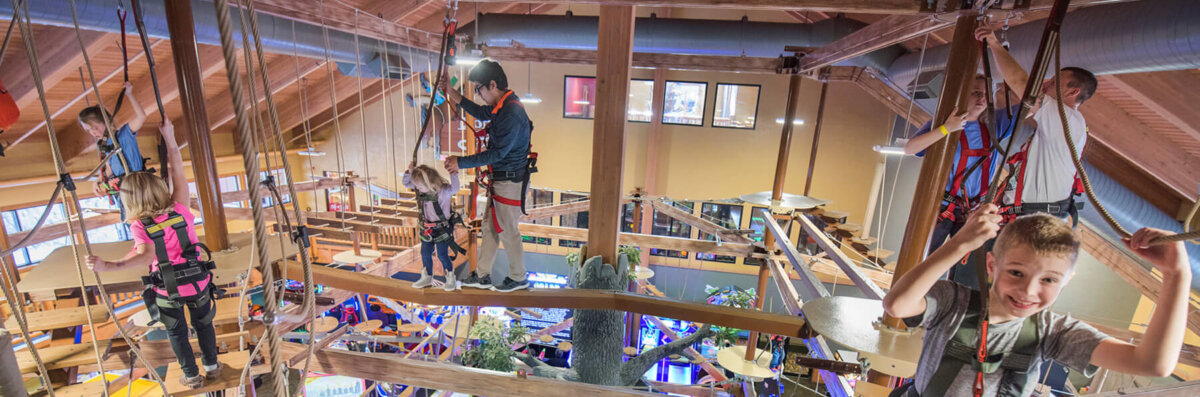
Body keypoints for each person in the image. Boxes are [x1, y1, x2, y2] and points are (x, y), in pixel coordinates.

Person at [883, 205, 1191, 396]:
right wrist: (961, 243)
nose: (1028, 291)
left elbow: (1153, 363)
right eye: (1016, 272)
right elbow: (897, 304)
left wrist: (1177, 276)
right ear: (992, 266)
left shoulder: (1053, 332)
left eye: (1048, 280)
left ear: (1065, 282)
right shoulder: (953, 302)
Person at [85, 121, 220, 389]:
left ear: (130, 201)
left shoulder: (140, 226)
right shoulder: (180, 209)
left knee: (177, 332)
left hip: (169, 290)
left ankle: (191, 375)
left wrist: (109, 265)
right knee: (204, 325)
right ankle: (212, 366)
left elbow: (146, 257)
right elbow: (177, 170)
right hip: (198, 282)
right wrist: (169, 138)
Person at [975, 26, 1098, 222]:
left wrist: (994, 44)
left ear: (1073, 92)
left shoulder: (1063, 115)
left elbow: (1021, 82)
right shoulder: (1064, 121)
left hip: (1032, 219)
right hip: (1026, 217)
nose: (1045, 84)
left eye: (1054, 81)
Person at [441, 59, 535, 293]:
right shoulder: (504, 106)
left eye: (479, 89)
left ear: (492, 85)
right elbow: (481, 112)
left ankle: (518, 276)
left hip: (509, 180)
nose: (479, 94)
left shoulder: (511, 113)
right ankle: (482, 274)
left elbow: (497, 152)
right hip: (502, 179)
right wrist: (452, 93)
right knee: (491, 227)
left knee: (507, 229)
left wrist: (460, 162)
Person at [904, 75, 1016, 256]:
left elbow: (1032, 106)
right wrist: (946, 128)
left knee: (965, 268)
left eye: (986, 94)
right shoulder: (943, 121)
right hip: (941, 207)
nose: (981, 99)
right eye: (976, 93)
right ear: (964, 95)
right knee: (920, 258)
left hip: (975, 209)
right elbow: (910, 148)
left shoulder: (995, 126)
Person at [78, 82, 148, 220]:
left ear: (106, 121)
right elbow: (109, 168)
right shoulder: (102, 145)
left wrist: (129, 95)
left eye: (95, 127)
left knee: (144, 220)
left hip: (138, 184)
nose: (94, 132)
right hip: (123, 190)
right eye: (89, 130)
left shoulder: (124, 135)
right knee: (130, 223)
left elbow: (141, 116)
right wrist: (97, 181)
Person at [403, 163, 463, 291]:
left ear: (429, 183)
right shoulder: (422, 190)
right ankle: (427, 277)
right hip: (426, 228)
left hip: (442, 228)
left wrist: (453, 173)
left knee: (442, 254)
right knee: (425, 253)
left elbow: (455, 188)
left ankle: (450, 277)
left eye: (419, 185)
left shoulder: (444, 191)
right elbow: (407, 183)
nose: (416, 188)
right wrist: (410, 171)